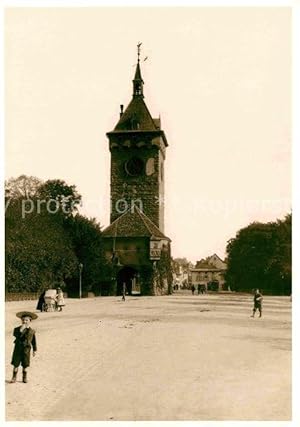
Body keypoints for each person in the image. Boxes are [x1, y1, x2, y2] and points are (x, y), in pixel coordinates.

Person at [10, 311, 37, 383]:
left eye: (26, 320)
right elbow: (16, 335)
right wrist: (21, 330)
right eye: (23, 320)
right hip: (18, 349)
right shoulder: (16, 329)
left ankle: (24, 377)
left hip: (26, 350)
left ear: (30, 321)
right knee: (16, 364)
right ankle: (14, 377)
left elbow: (33, 341)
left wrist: (35, 350)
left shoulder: (32, 331)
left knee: (25, 364)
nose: (24, 321)